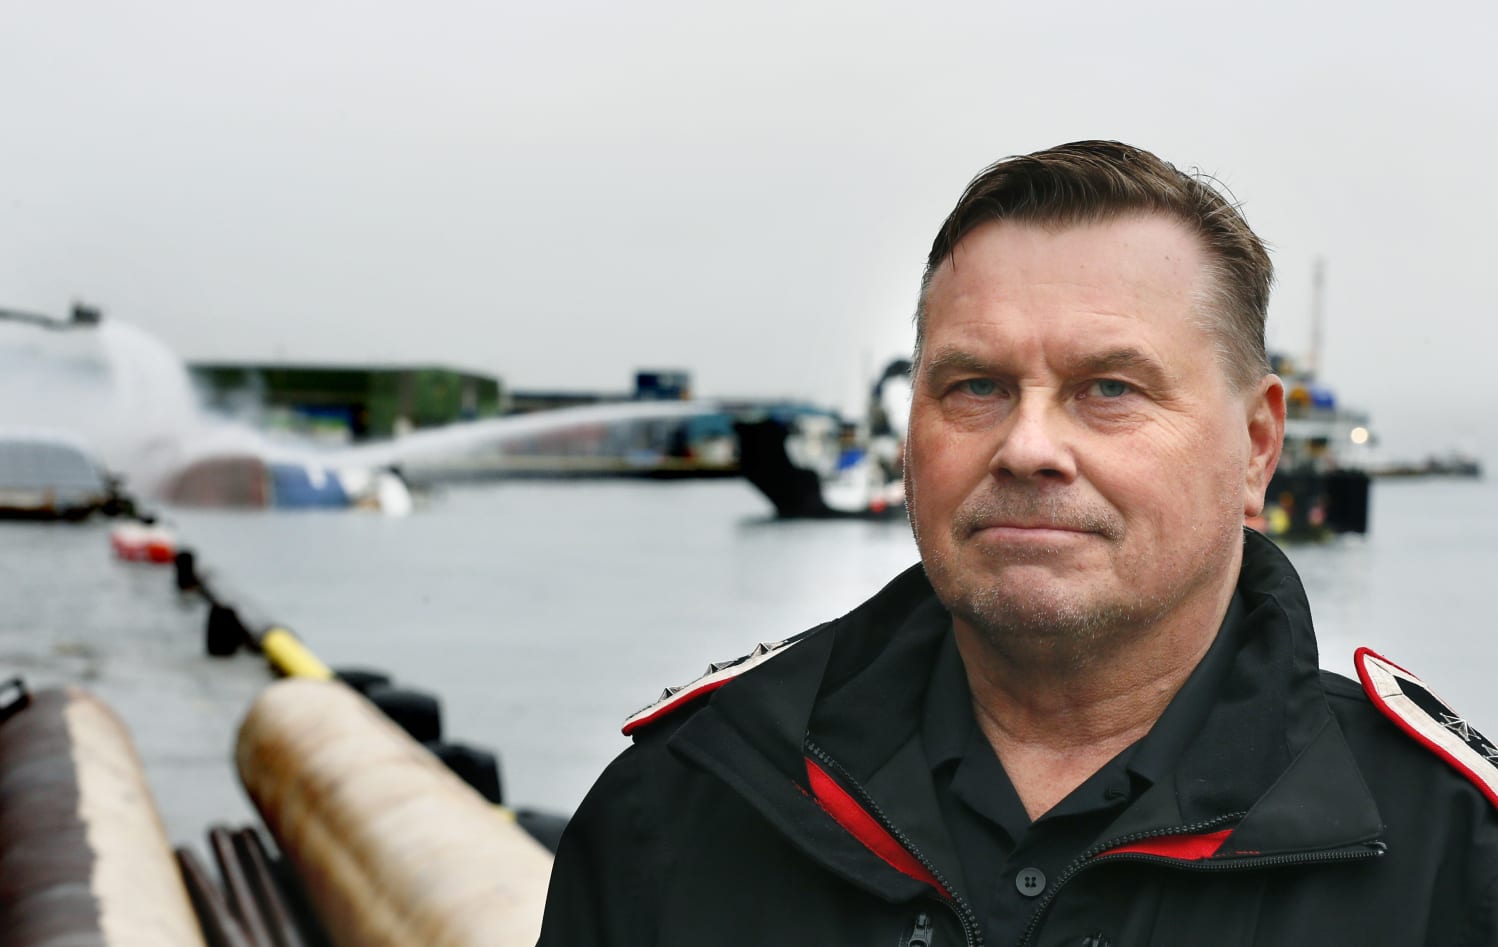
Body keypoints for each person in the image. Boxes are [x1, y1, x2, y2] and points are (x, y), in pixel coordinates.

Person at [536, 141, 1498, 946]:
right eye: (976, 387)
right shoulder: (681, 806)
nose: (1029, 447)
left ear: (1255, 448)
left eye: (1110, 388)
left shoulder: (1456, 864)